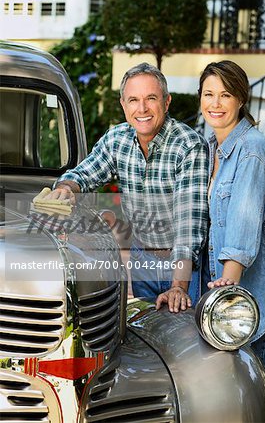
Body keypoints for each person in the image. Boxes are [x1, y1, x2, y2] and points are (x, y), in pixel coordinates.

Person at [45, 62, 209, 312]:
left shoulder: (189, 146)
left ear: (166, 102)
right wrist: (67, 187)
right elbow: (83, 174)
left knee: (184, 340)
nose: (141, 108)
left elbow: (189, 225)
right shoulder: (117, 139)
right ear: (123, 105)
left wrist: (179, 286)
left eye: (151, 98)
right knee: (146, 337)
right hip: (143, 259)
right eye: (133, 100)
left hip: (184, 266)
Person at [198, 60, 265, 422]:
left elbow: (243, 218)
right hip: (227, 298)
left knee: (251, 397)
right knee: (245, 395)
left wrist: (229, 284)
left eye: (226, 94)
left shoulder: (252, 150)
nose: (216, 103)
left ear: (241, 99)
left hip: (251, 300)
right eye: (209, 94)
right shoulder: (212, 148)